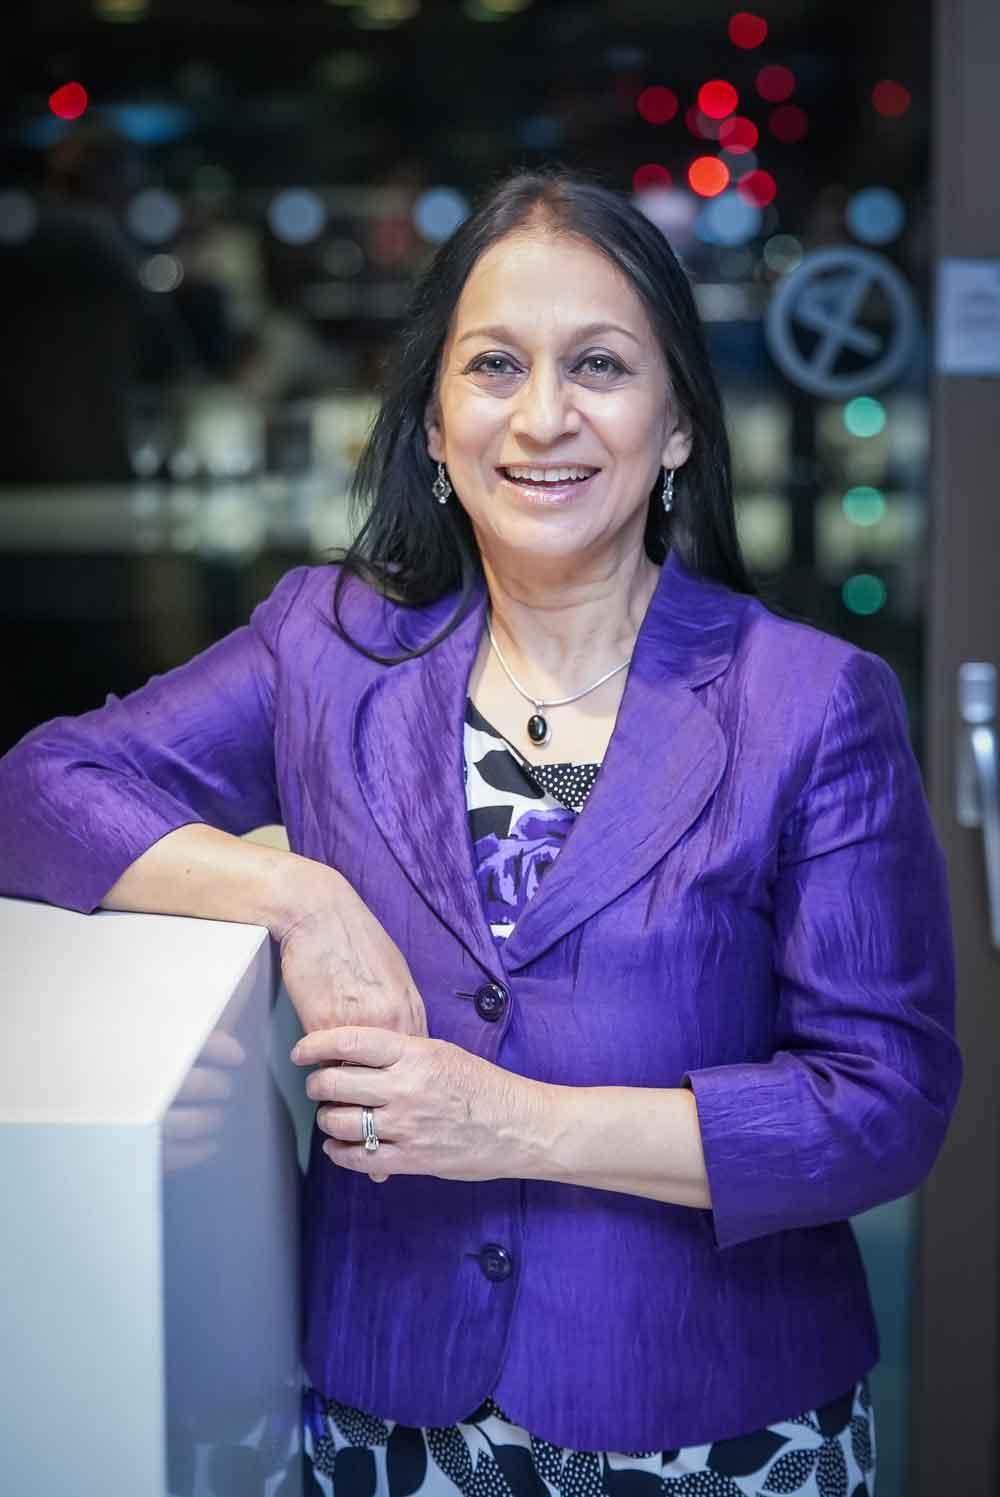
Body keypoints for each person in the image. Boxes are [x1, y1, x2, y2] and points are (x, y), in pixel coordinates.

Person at [0, 168, 961, 1497]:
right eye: (495, 365)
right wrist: (301, 897)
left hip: (721, 1425)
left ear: (680, 424)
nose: (544, 415)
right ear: (435, 425)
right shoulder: (328, 646)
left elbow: (881, 1108)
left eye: (601, 365)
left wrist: (519, 1124)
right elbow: (40, 789)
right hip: (391, 1415)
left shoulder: (809, 701)